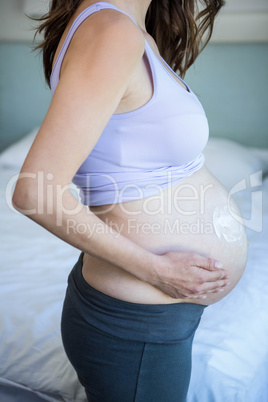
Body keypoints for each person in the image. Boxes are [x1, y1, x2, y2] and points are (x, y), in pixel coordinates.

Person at [13, 0, 249, 401]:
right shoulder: (110, 31)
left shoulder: (128, 29)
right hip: (137, 322)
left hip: (149, 318)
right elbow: (35, 192)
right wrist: (157, 270)